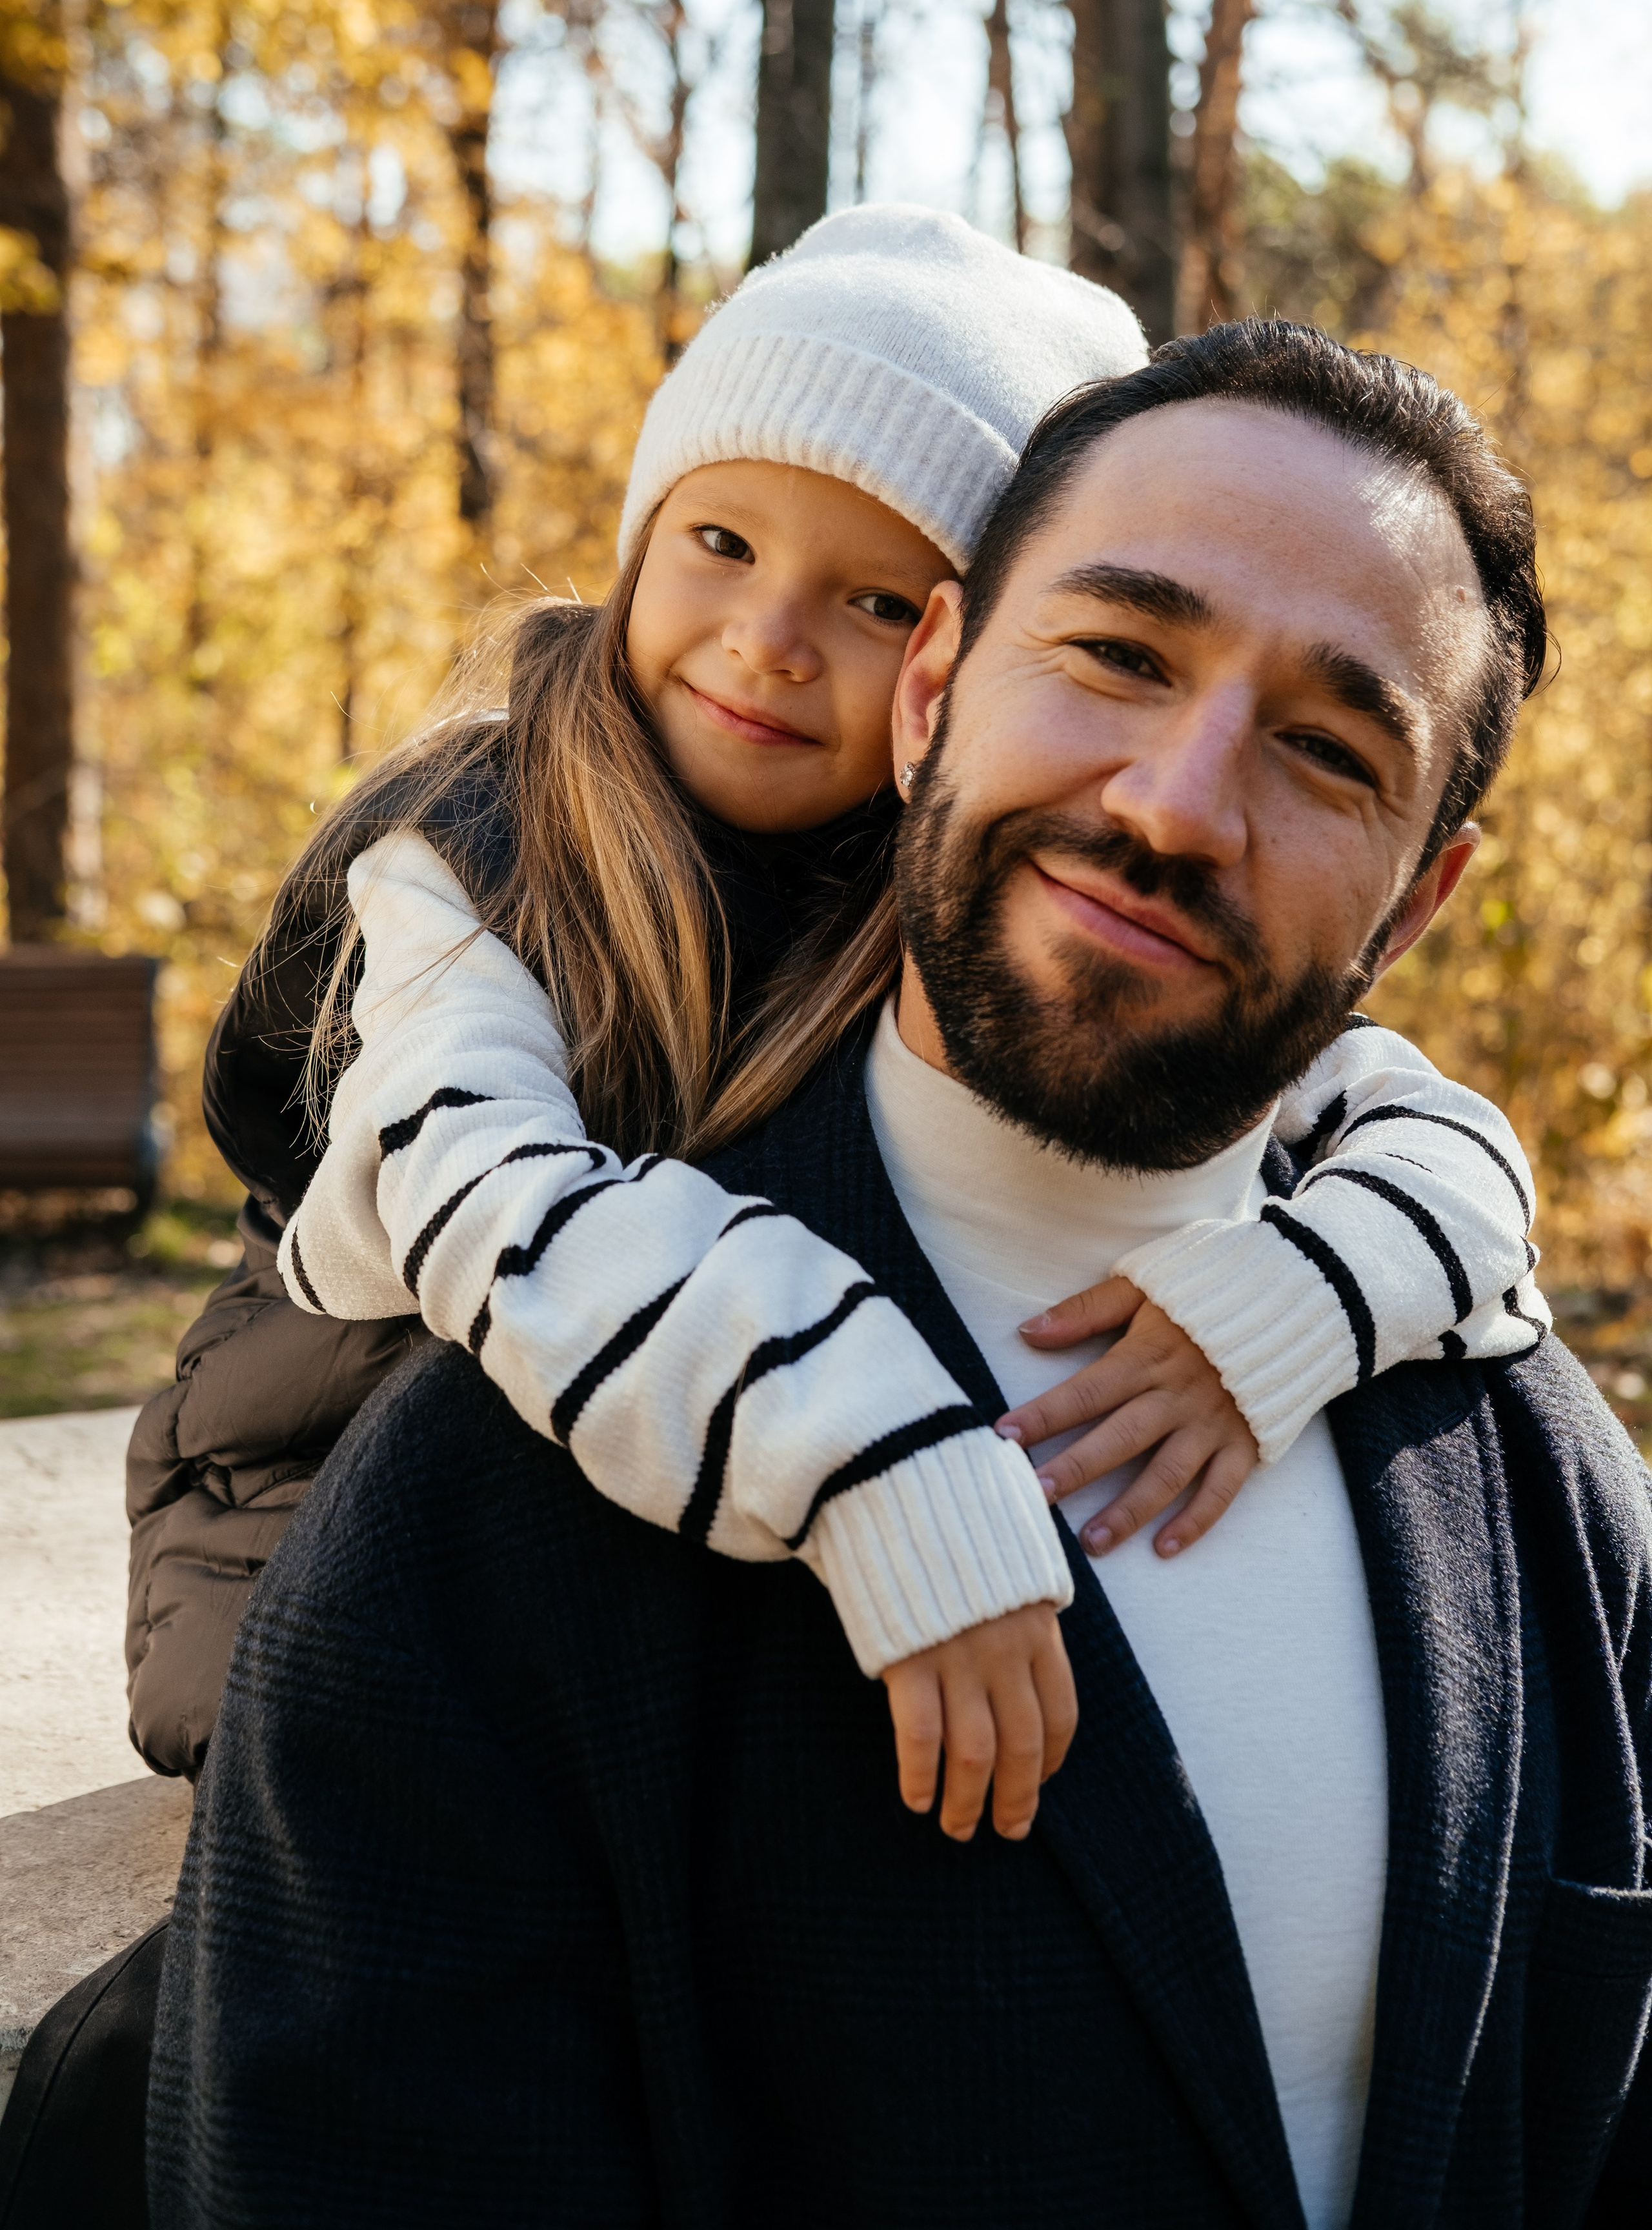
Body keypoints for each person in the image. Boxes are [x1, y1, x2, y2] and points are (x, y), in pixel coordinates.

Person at [148, 319, 1652, 2229]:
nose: (1177, 804)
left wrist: (1305, 1300)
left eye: (1329, 750)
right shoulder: (491, 1508)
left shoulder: (1536, 1478)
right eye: (1117, 654)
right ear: (931, 693)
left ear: (1418, 896)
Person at [128, 208, 1543, 1844]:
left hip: (664, 1445)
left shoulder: (961, 875)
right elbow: (480, 1201)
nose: (768, 641)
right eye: (720, 543)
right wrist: (872, 1438)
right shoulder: (470, 854)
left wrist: (1290, 1299)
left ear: (947, 669)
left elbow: (1419, 1131)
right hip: (311, 1489)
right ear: (642, 535)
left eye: (872, 599)